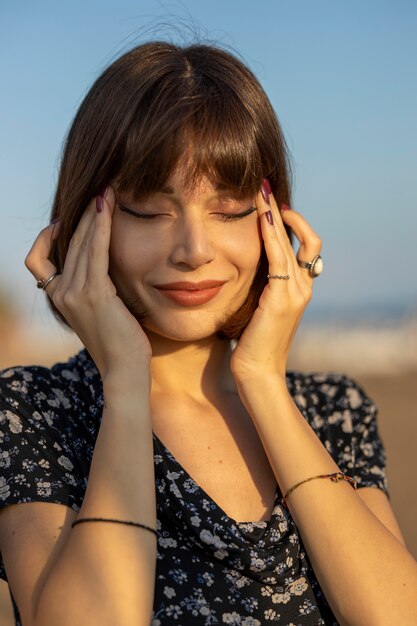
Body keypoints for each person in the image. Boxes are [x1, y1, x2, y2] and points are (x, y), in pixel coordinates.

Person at [0, 40, 416, 626]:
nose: (194, 251)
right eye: (148, 210)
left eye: (230, 209)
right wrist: (124, 382)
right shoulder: (34, 411)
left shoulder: (333, 411)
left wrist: (263, 380)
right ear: (86, 224)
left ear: (273, 222)